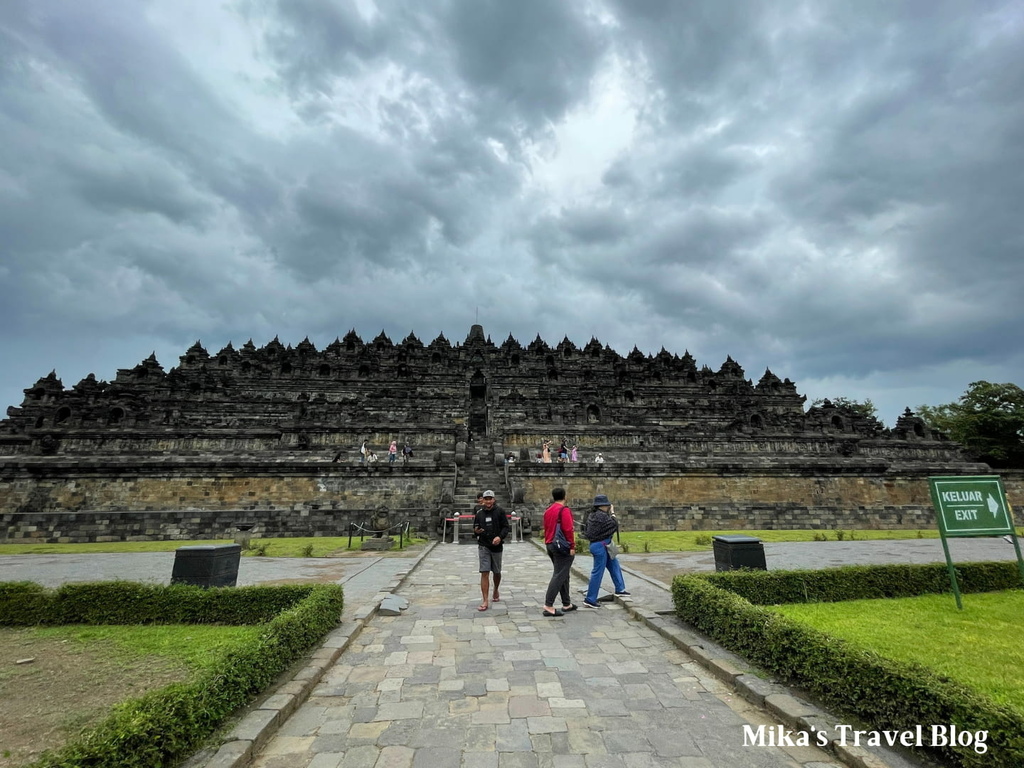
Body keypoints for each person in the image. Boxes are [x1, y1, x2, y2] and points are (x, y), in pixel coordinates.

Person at [583, 494, 629, 608]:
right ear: (603, 506)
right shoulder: (602, 516)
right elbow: (614, 524)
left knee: (614, 565)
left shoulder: (593, 515)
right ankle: (590, 599)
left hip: (600, 545)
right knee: (598, 572)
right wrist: (613, 513)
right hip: (601, 546)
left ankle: (620, 588)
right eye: (607, 505)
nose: (608, 507)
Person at [542, 487, 577, 617]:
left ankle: (566, 603)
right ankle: (548, 604)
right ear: (564, 496)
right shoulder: (564, 510)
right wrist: (572, 546)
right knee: (559, 574)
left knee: (563, 573)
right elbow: (568, 529)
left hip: (550, 544)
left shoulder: (548, 511)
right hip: (561, 546)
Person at [473, 490, 510, 611]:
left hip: (497, 546)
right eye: (486, 499)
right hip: (483, 545)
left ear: (494, 500)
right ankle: (485, 600)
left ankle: (495, 589)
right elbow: (475, 528)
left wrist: (499, 537)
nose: (488, 501)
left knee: (497, 571)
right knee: (484, 572)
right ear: (482, 500)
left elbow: (505, 527)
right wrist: (477, 531)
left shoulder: (500, 512)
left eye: (490, 499)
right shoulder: (479, 514)